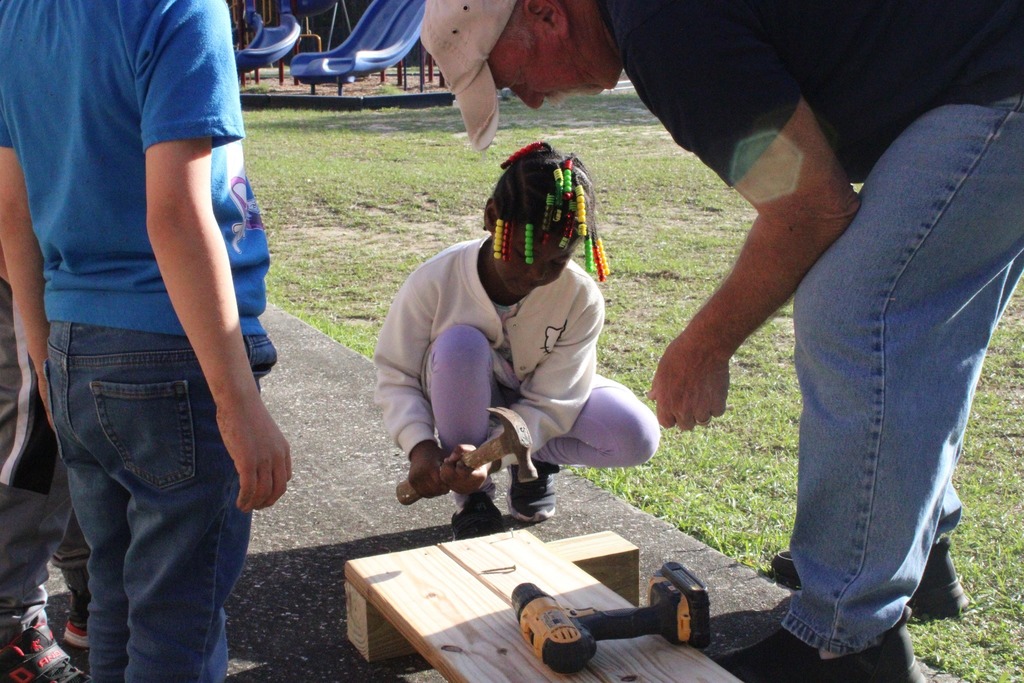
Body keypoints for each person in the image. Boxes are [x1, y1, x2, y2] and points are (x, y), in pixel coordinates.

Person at [420, 1, 1024, 681]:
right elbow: (808, 179)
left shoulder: (660, 31)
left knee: (857, 310)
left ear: (547, 14)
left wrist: (704, 346)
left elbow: (812, 204)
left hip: (997, 80)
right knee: (895, 302)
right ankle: (916, 551)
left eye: (513, 77)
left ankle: (846, 645)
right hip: (979, 71)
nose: (529, 102)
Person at [0, 1, 292, 681]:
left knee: (116, 609)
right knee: (176, 631)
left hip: (71, 343)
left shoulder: (17, 16)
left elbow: (11, 216)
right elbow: (177, 213)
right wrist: (239, 402)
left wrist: (44, 355)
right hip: (171, 355)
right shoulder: (181, 8)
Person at [374, 141, 660, 540]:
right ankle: (473, 500)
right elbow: (396, 373)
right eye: (524, 252)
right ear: (492, 217)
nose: (534, 276)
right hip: (462, 399)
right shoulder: (436, 280)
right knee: (460, 346)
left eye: (556, 263)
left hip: (536, 406)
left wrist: (499, 453)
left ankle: (532, 461)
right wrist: (420, 447)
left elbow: (556, 398)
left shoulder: (579, 297)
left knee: (636, 434)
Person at [0, 259, 89, 681]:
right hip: (23, 279)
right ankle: (9, 635)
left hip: (72, 272)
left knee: (73, 430)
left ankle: (89, 586)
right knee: (34, 436)